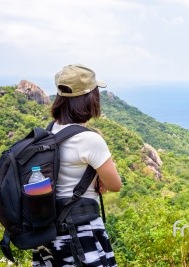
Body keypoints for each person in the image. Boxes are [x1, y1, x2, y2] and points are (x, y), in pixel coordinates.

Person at [32, 64, 122, 267]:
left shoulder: (48, 132)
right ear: (90, 99)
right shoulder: (89, 140)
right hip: (82, 234)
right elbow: (115, 185)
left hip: (48, 235)